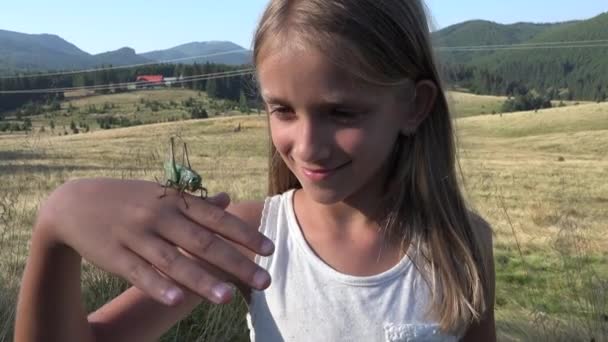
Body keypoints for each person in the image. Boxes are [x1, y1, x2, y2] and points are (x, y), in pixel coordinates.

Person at [15, 0, 496, 341]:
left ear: (414, 106)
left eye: (343, 113)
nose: (307, 146)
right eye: (282, 110)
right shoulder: (248, 237)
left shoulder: (462, 243)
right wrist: (56, 226)